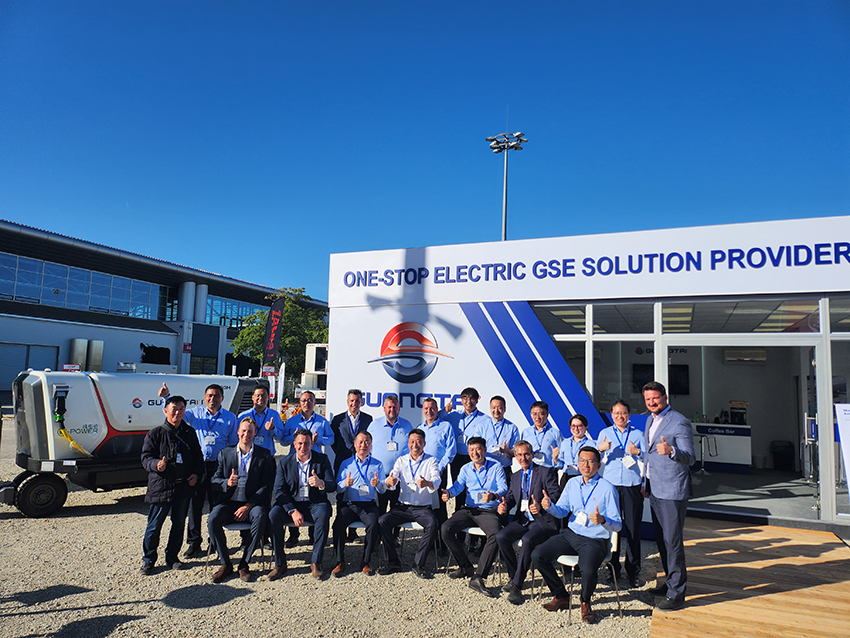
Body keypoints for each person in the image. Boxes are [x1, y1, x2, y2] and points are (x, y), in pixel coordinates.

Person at [532, 447, 622, 624]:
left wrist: (603, 520)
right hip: (571, 534)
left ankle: (585, 601)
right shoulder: (572, 483)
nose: (585, 465)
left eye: (590, 461)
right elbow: (562, 511)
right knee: (537, 555)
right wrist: (549, 507)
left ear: (598, 464)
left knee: (587, 570)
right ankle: (561, 595)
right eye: (582, 460)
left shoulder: (608, 489)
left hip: (595, 540)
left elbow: (618, 525)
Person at [158, 382, 238, 559]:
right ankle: (194, 543)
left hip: (219, 467)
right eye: (209, 396)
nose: (212, 399)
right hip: (198, 467)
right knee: (195, 505)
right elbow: (174, 415)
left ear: (222, 398)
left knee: (217, 506)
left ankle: (215, 541)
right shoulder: (195, 414)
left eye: (216, 396)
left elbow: (233, 445)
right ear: (204, 398)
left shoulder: (230, 418)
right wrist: (166, 398)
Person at [642, 381, 695, 611]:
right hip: (655, 489)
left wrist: (672, 451)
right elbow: (649, 454)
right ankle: (669, 583)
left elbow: (690, 457)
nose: (652, 402)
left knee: (672, 543)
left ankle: (677, 593)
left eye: (655, 398)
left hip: (672, 491)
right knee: (663, 542)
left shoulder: (679, 421)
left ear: (665, 397)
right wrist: (645, 481)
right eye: (648, 399)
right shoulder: (649, 420)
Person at [140, 395, 203, 575]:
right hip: (161, 486)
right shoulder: (156, 433)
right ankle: (149, 559)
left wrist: (196, 474)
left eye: (181, 409)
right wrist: (156, 465)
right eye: (174, 409)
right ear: (165, 410)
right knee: (154, 526)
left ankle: (172, 557)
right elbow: (145, 458)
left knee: (179, 524)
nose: (177, 412)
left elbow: (198, 458)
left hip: (183, 487)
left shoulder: (189, 433)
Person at [207, 417, 275, 583]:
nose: (246, 434)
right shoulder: (225, 454)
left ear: (255, 433)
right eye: (243, 431)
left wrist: (248, 505)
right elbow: (214, 480)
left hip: (252, 503)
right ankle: (225, 563)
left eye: (250, 431)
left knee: (260, 516)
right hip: (229, 502)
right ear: (238, 432)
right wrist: (227, 482)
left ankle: (244, 563)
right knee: (212, 519)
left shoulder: (264, 455)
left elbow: (267, 486)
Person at [495, 440, 562, 605]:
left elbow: (555, 494)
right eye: (519, 455)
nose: (523, 458)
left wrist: (543, 504)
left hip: (543, 521)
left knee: (527, 540)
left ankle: (517, 586)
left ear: (532, 455)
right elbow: (511, 497)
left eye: (526, 454)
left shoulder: (546, 472)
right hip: (524, 519)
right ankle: (514, 576)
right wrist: (504, 505)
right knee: (501, 536)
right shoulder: (516, 475)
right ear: (515, 456)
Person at [440, 436, 507, 597]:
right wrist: (449, 493)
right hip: (469, 509)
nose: (475, 453)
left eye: (478, 449)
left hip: (488, 510)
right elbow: (458, 486)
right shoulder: (466, 468)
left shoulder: (496, 466)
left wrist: (493, 496)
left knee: (496, 534)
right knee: (445, 528)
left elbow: (504, 487)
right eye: (471, 450)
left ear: (485, 450)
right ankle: (465, 566)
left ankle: (478, 577)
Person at [268, 428, 336, 580]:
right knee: (273, 515)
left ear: (312, 443)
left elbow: (332, 485)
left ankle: (316, 562)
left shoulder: (322, 459)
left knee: (324, 512)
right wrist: (292, 510)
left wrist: (321, 483)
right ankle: (280, 564)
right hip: (293, 504)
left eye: (306, 443)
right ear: (294, 444)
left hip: (314, 503)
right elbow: (278, 491)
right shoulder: (284, 463)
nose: (303, 447)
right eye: (299, 443)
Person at [378, 428, 441, 578]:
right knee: (382, 521)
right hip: (403, 507)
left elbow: (437, 479)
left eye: (418, 441)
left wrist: (427, 483)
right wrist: (390, 482)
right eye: (412, 441)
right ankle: (393, 561)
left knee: (432, 524)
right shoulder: (401, 460)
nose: (415, 445)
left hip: (422, 508)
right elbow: (393, 477)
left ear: (424, 443)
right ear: (408, 443)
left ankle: (419, 563)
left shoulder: (431, 460)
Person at [597, 399, 645, 588]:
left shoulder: (638, 434)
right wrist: (600, 449)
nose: (620, 416)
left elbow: (649, 457)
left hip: (632, 486)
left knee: (633, 529)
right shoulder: (604, 434)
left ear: (629, 415)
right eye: (616, 413)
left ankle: (633, 572)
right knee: (612, 529)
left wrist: (638, 452)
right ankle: (613, 570)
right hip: (611, 487)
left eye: (623, 413)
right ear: (611, 415)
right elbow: (594, 457)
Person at [281, 391, 333, 547]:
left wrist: (319, 440)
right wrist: (293, 437)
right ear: (300, 402)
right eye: (303, 400)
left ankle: (313, 535)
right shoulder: (292, 421)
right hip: (296, 463)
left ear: (315, 402)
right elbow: (283, 441)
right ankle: (293, 535)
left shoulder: (322, 422)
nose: (306, 403)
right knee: (295, 494)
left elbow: (332, 438)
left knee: (314, 496)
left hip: (315, 463)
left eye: (310, 400)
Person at [331, 431, 386, 577]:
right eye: (360, 442)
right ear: (355, 445)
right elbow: (338, 488)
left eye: (367, 442)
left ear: (371, 445)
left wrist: (378, 484)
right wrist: (345, 483)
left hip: (368, 505)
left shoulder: (377, 464)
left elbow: (382, 490)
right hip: (350, 505)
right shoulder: (346, 464)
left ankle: (366, 561)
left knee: (374, 524)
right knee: (337, 525)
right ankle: (340, 561)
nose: (363, 445)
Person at [367, 394, 413, 543]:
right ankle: (379, 536)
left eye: (394, 407)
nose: (392, 410)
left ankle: (394, 536)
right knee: (380, 507)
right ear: (384, 408)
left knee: (397, 508)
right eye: (389, 407)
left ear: (399, 408)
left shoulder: (407, 426)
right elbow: (368, 448)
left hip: (401, 476)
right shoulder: (374, 425)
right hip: (381, 476)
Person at [442, 388, 489, 511]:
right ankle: (459, 514)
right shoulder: (454, 416)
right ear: (461, 400)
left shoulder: (485, 419)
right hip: (457, 458)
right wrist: (444, 411)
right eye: (465, 398)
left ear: (477, 400)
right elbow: (437, 420)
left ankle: (476, 513)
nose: (469, 401)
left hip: (474, 458)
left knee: (474, 487)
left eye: (472, 398)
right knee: (458, 487)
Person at [419, 397, 456, 531]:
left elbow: (451, 451)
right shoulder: (420, 429)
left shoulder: (446, 426)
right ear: (423, 410)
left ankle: (441, 540)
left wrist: (439, 468)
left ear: (437, 410)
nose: (429, 411)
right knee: (425, 505)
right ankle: (429, 538)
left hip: (440, 471)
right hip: (423, 472)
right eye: (426, 408)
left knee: (439, 506)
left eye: (432, 408)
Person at [330, 389, 373, 474]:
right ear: (347, 402)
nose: (354, 403)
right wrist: (341, 451)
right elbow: (333, 440)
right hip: (342, 461)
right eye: (352, 401)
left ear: (361, 402)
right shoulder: (338, 419)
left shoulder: (368, 419)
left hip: (362, 463)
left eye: (357, 401)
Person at [480, 395, 521, 485]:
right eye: (493, 407)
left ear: (505, 409)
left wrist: (507, 450)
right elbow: (475, 448)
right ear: (490, 408)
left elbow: (517, 453)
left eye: (499, 408)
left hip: (504, 469)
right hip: (486, 469)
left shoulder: (512, 428)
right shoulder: (482, 427)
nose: (496, 410)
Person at [237, 384, 284, 456]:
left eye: (264, 396)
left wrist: (273, 429)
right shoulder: (243, 416)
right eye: (258, 395)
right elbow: (237, 436)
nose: (261, 398)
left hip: (267, 455)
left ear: (268, 397)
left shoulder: (274, 415)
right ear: (252, 397)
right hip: (248, 454)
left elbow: (280, 438)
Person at [519, 401, 563, 468]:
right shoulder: (526, 432)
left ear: (547, 415)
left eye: (541, 414)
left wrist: (556, 460)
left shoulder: (555, 433)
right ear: (531, 415)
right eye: (534, 414)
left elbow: (563, 455)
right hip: (531, 469)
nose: (537, 417)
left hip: (549, 470)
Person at [559, 414, 596, 487]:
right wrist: (555, 459)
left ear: (586, 427)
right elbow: (560, 464)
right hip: (566, 477)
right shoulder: (565, 443)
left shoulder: (591, 444)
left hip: (583, 476)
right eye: (573, 426)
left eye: (579, 426)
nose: (576, 429)